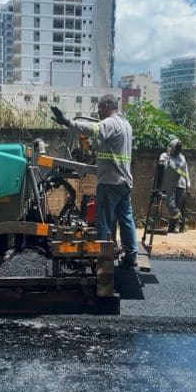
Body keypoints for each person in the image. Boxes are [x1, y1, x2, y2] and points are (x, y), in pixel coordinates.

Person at [50, 94, 138, 266]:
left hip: (110, 183)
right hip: (124, 181)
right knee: (126, 219)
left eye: (99, 108)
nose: (98, 112)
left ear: (107, 105)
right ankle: (131, 254)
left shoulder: (111, 123)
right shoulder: (125, 124)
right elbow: (105, 145)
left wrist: (68, 122)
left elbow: (94, 129)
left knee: (103, 221)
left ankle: (102, 259)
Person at [159, 139, 191, 233]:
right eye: (177, 147)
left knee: (177, 206)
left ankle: (172, 227)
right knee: (171, 205)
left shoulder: (182, 157)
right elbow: (162, 167)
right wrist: (168, 156)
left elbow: (186, 172)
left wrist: (188, 185)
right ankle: (181, 221)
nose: (179, 149)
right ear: (172, 147)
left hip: (181, 185)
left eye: (180, 147)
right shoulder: (164, 156)